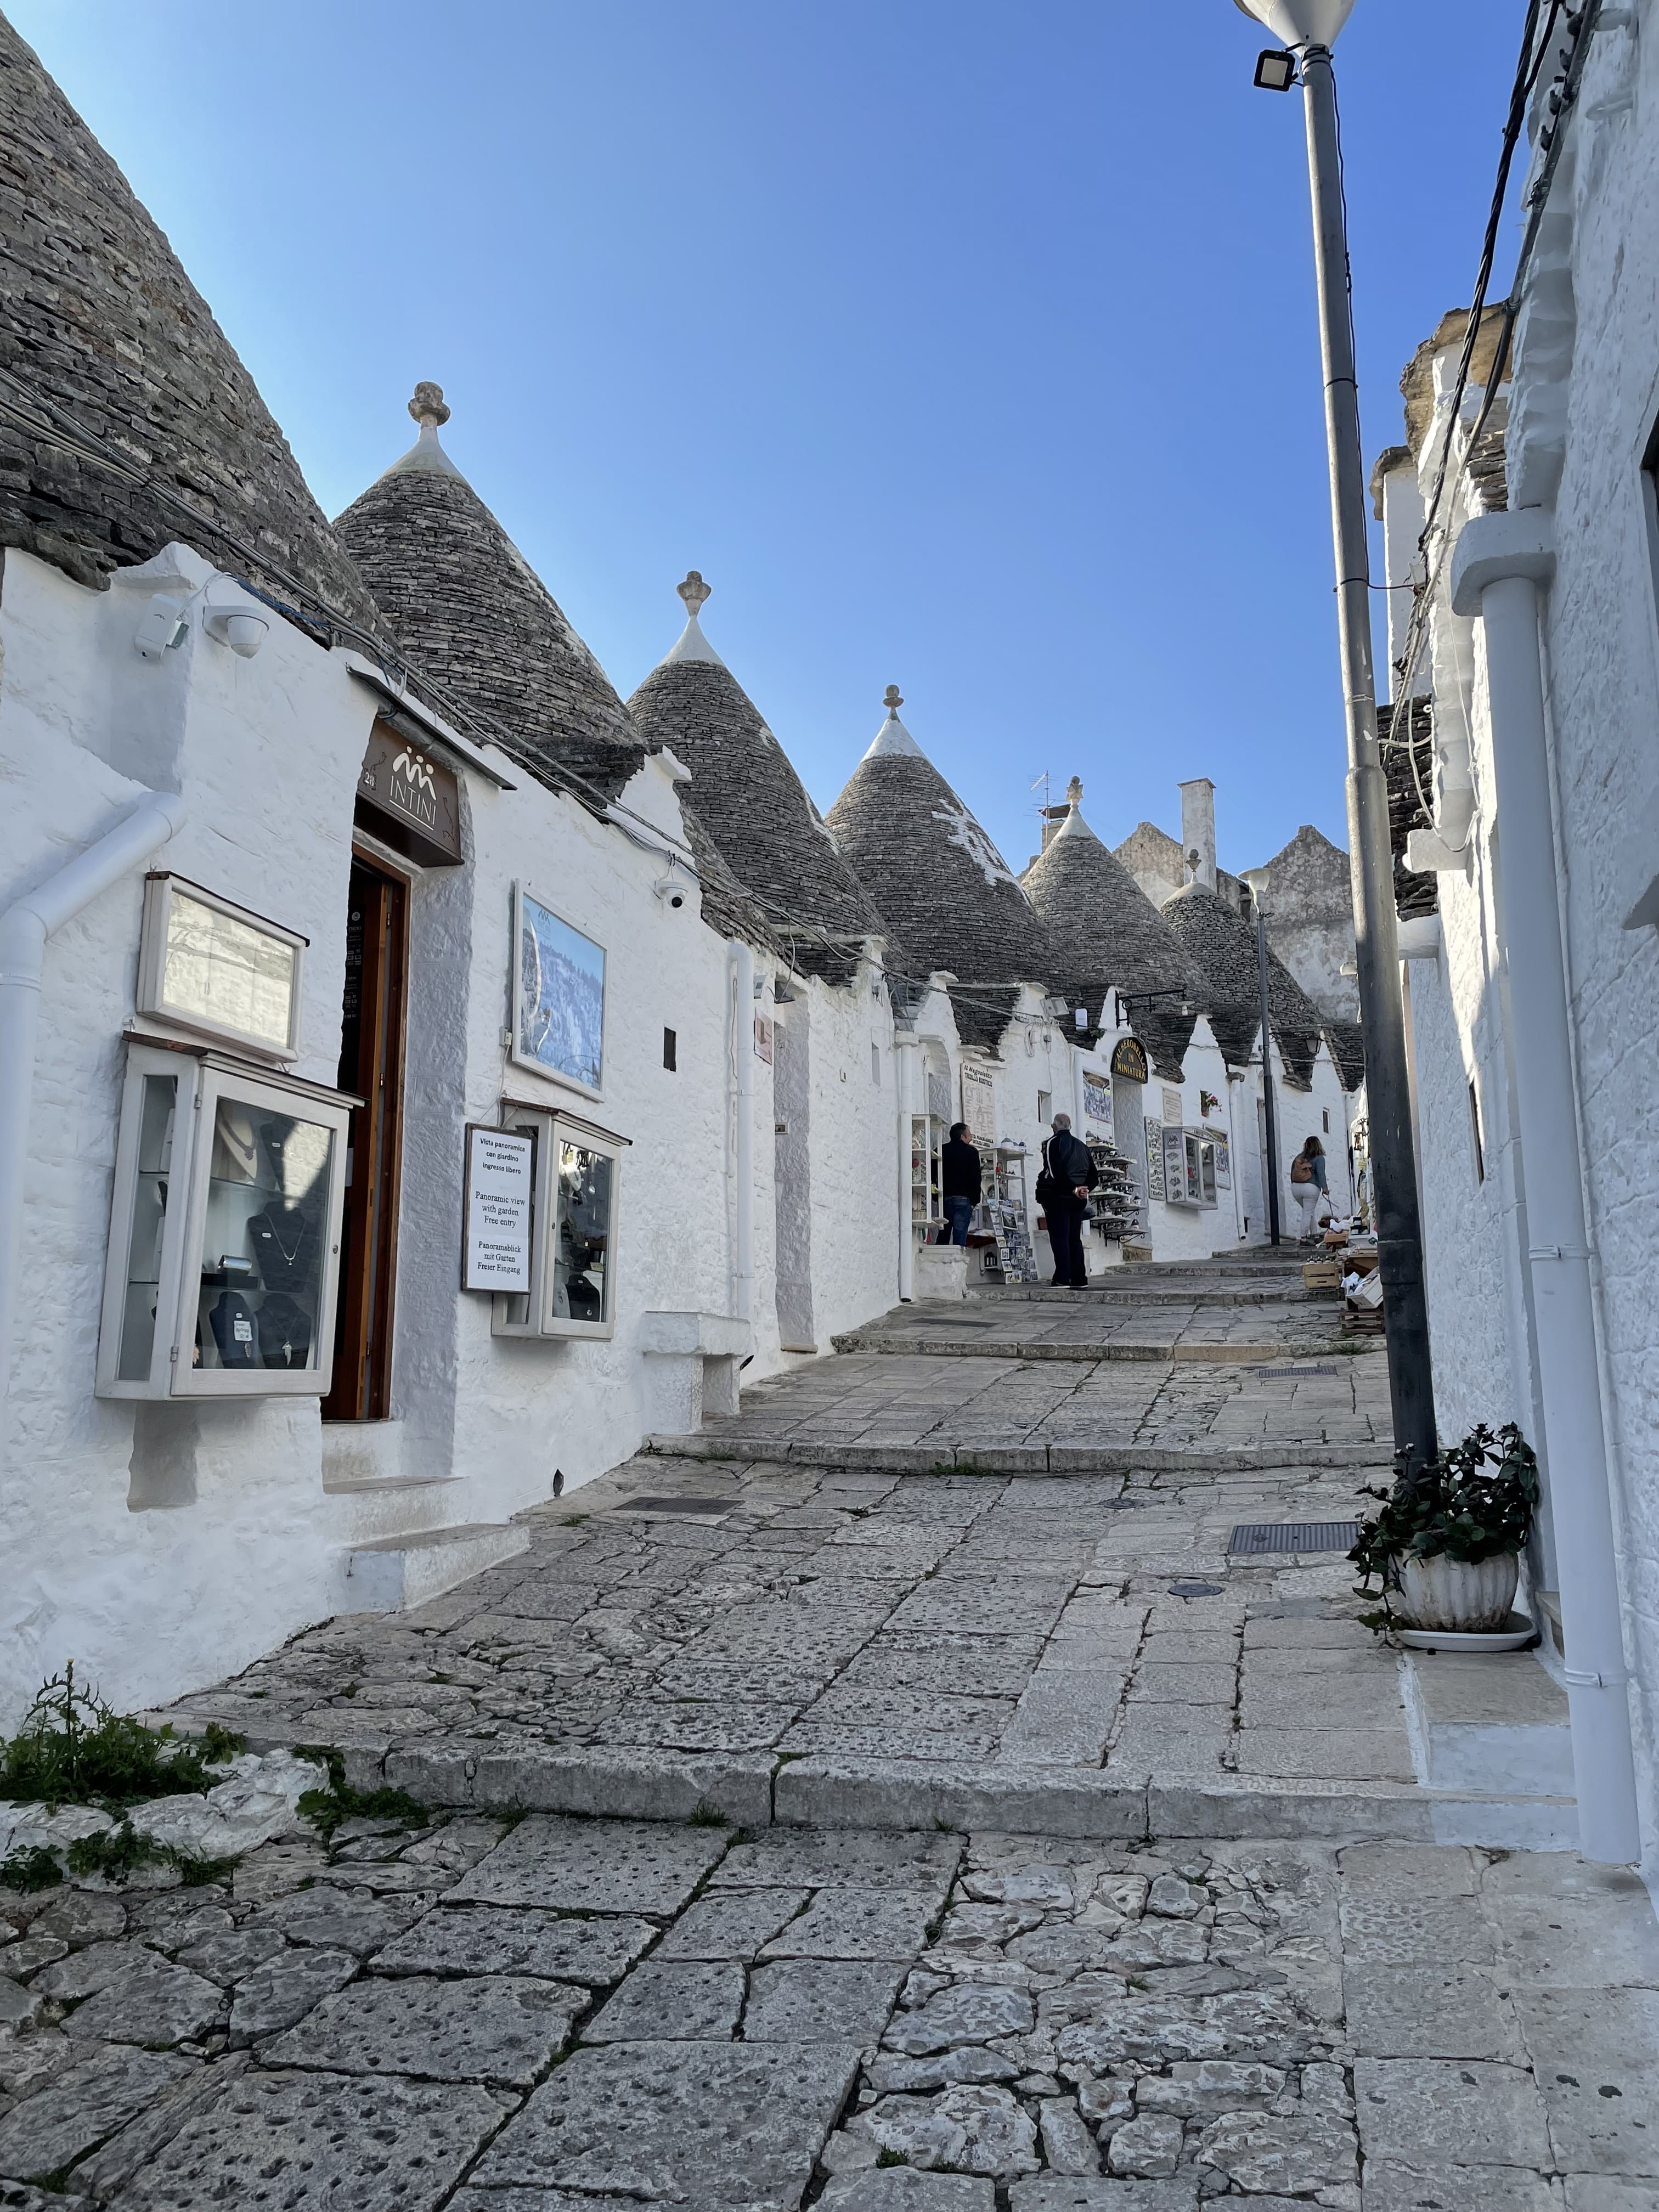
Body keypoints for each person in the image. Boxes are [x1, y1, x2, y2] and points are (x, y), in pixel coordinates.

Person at [1039, 1111, 1097, 1286]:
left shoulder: (1053, 1143)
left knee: (1060, 1238)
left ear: (1054, 1126)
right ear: (1070, 1126)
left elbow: (1055, 1172)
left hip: (1060, 1197)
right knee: (1074, 1238)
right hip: (1079, 1200)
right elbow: (1094, 1176)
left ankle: (1062, 1277)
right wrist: (1084, 1189)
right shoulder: (1082, 1146)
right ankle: (1079, 1278)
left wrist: (1074, 1189)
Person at [941, 1122, 982, 1246]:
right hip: (963, 1200)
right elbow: (976, 1178)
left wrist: (936, 1197)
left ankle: (939, 1258)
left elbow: (934, 1175)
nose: (971, 1138)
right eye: (970, 1135)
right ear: (962, 1137)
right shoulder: (972, 1152)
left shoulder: (941, 1150)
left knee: (943, 1236)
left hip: (944, 1198)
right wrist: (975, 1200)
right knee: (959, 1240)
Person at [1290, 1135, 1329, 1242]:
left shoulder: (1299, 1158)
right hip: (1311, 1188)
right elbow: (1321, 1174)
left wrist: (1294, 1184)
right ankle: (1303, 1237)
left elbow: (1292, 1173)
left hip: (1296, 1188)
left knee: (1308, 1210)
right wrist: (1325, 1188)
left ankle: (1314, 1233)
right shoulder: (1319, 1158)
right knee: (1308, 1212)